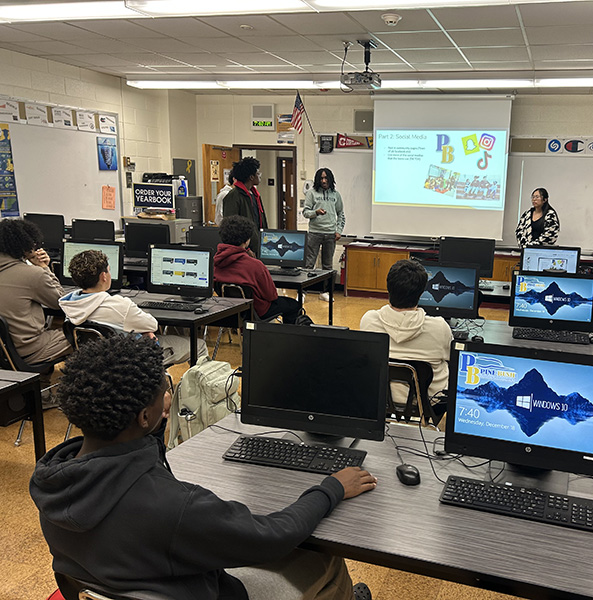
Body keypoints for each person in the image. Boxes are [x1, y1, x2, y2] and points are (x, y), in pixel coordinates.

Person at [29, 335, 376, 600]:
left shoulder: (53, 481)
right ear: (144, 415)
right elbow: (274, 536)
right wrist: (331, 487)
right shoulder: (176, 508)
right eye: (164, 388)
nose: (169, 394)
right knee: (325, 558)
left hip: (124, 582)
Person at [59, 249, 207, 365]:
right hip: (132, 360)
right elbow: (152, 324)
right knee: (198, 345)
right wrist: (144, 332)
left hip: (97, 362)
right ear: (104, 276)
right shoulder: (119, 305)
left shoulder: (70, 304)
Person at [360, 259, 452, 412]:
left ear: (388, 288)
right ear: (422, 293)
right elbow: (451, 358)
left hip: (379, 402)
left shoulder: (369, 320)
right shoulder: (439, 327)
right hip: (428, 406)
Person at [0, 218, 71, 366]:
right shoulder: (32, 274)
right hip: (30, 351)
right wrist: (44, 267)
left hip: (4, 353)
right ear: (23, 245)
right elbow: (61, 302)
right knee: (85, 335)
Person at [214, 216, 302, 324]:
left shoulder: (215, 262)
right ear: (246, 241)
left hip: (228, 311)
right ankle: (288, 338)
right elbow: (271, 295)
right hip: (257, 311)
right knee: (293, 305)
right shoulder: (255, 265)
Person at [303, 168, 345, 302]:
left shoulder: (336, 195)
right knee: (309, 264)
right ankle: (303, 292)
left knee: (327, 266)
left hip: (330, 235)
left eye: (326, 178)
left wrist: (339, 231)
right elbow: (305, 212)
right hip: (314, 233)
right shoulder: (312, 193)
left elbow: (341, 215)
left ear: (330, 179)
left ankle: (325, 292)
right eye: (321, 178)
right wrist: (316, 212)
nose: (324, 181)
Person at [222, 157, 266, 252]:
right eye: (258, 173)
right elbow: (230, 228)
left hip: (257, 246)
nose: (260, 176)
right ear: (251, 177)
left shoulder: (255, 195)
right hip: (243, 249)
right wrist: (244, 249)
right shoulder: (234, 196)